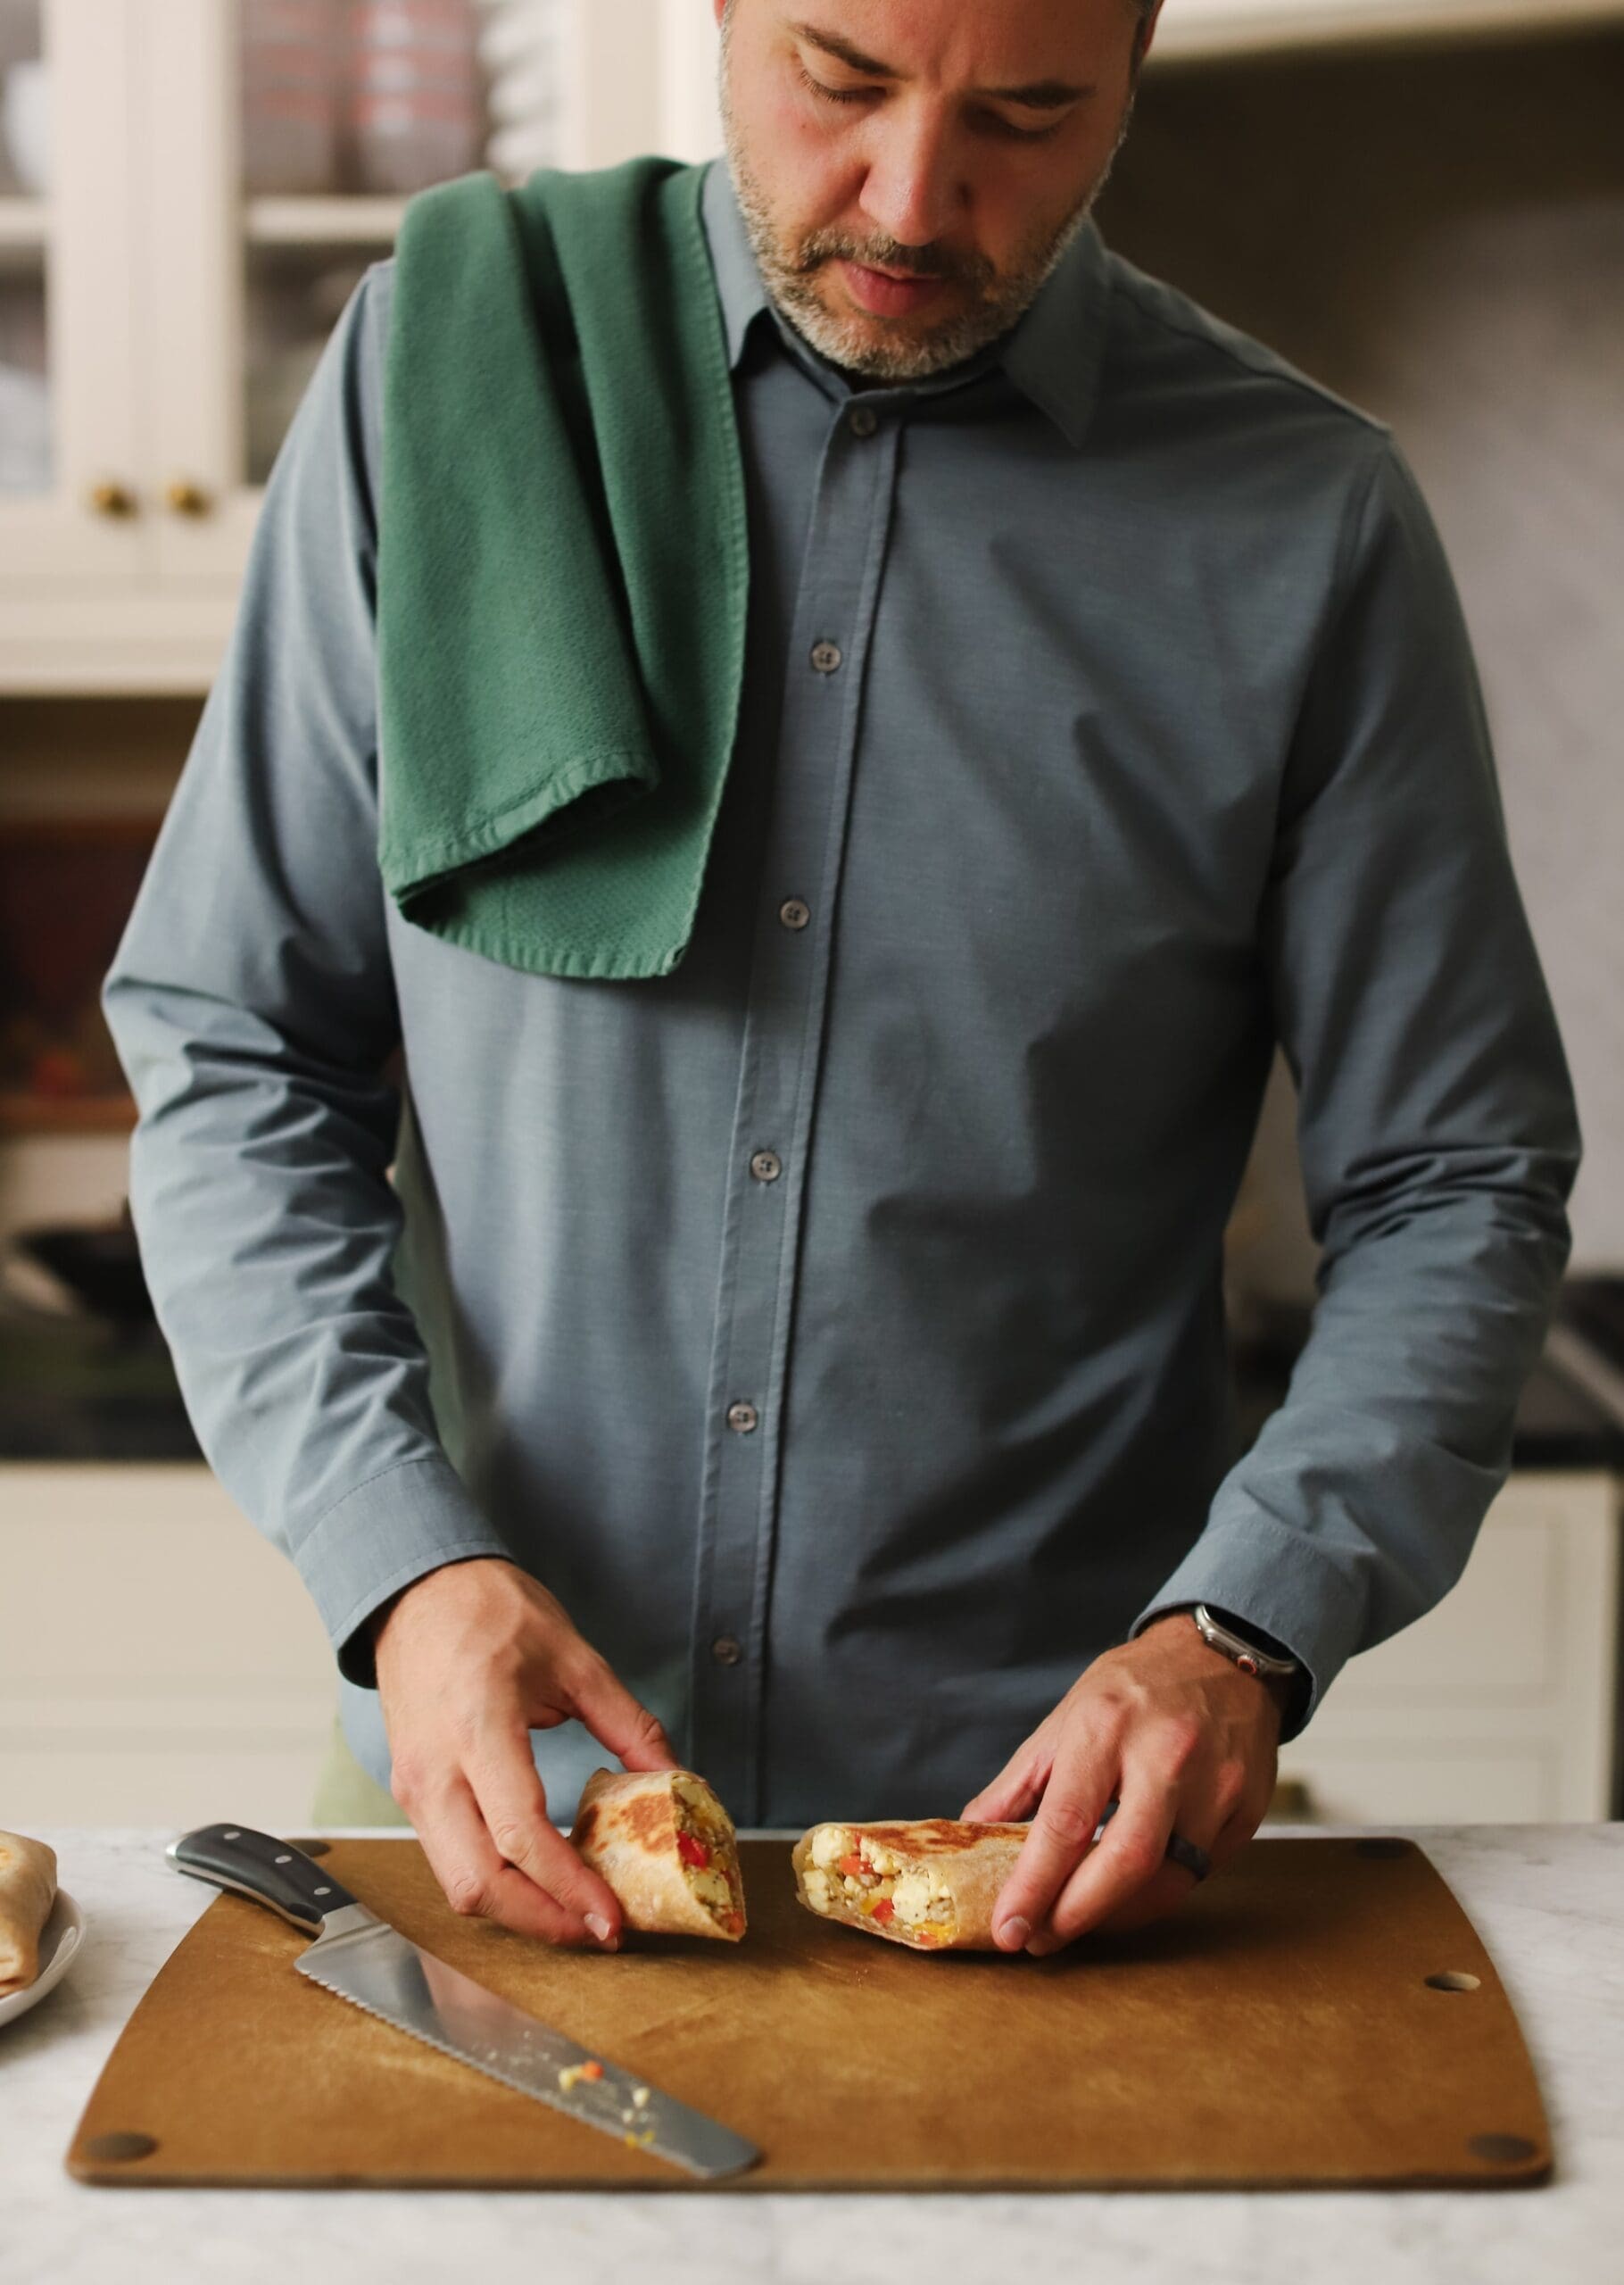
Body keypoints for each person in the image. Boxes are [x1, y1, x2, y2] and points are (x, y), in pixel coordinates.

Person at [102, 0, 1581, 1961]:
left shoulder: (1306, 527)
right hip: (486, 1828)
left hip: (1035, 1854)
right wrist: (401, 1565)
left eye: (1029, 116)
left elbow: (1453, 1175)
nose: (910, 197)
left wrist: (1239, 1628)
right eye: (842, 79)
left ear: (1133, 65)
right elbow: (234, 1042)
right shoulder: (443, 382)